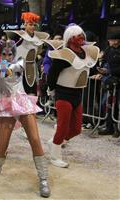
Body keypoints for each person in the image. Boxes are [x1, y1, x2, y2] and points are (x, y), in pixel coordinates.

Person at [0, 39, 50, 198]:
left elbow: (12, 69)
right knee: (1, 146)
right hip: (6, 106)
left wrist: (4, 67)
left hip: (22, 102)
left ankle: (43, 179)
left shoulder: (19, 62)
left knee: (35, 139)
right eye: (4, 53)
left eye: (10, 53)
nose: (7, 56)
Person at [47, 25, 100, 168]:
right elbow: (52, 75)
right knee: (62, 127)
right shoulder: (64, 55)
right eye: (78, 36)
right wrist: (51, 90)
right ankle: (54, 155)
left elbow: (90, 68)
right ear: (70, 38)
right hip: (63, 94)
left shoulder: (87, 52)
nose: (82, 38)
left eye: (82, 35)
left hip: (78, 94)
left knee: (76, 129)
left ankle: (54, 142)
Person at [5, 12, 50, 95]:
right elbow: (7, 50)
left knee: (32, 94)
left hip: (32, 69)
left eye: (34, 25)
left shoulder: (38, 39)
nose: (32, 27)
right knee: (19, 95)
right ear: (25, 24)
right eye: (30, 24)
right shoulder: (18, 37)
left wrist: (38, 57)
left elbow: (39, 52)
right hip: (18, 69)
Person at [97, 33, 120, 138]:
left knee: (117, 106)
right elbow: (104, 61)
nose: (111, 42)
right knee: (107, 104)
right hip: (110, 82)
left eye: (112, 40)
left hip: (117, 81)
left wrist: (109, 71)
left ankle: (116, 128)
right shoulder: (108, 50)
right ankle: (109, 126)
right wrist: (100, 71)